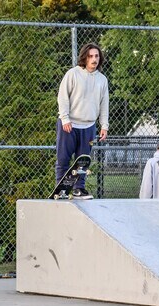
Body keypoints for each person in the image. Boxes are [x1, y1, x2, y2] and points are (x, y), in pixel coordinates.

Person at [56, 42, 109, 199]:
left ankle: (79, 189)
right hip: (69, 124)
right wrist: (65, 118)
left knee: (83, 161)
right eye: (91, 56)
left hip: (89, 126)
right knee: (64, 158)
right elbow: (63, 96)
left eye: (97, 56)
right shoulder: (73, 74)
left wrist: (104, 125)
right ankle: (61, 190)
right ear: (84, 58)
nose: (94, 59)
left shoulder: (102, 80)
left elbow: (104, 103)